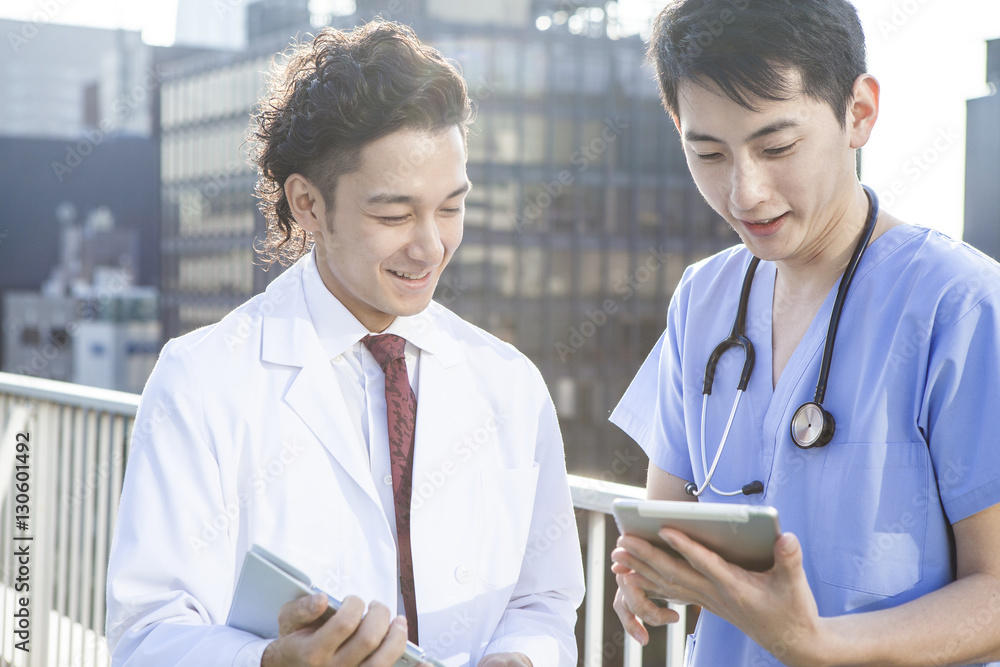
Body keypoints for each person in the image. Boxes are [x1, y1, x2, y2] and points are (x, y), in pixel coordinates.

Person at [105, 21, 583, 667]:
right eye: (393, 215)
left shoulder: (509, 381)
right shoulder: (200, 380)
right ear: (307, 204)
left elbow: (545, 600)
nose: (432, 246)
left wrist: (521, 657)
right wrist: (271, 662)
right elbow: (146, 636)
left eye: (451, 206)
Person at [608, 1, 1000, 665]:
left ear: (860, 113)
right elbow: (664, 524)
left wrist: (816, 645)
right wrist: (642, 576)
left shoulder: (960, 305)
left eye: (777, 147)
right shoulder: (703, 300)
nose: (745, 194)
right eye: (708, 152)